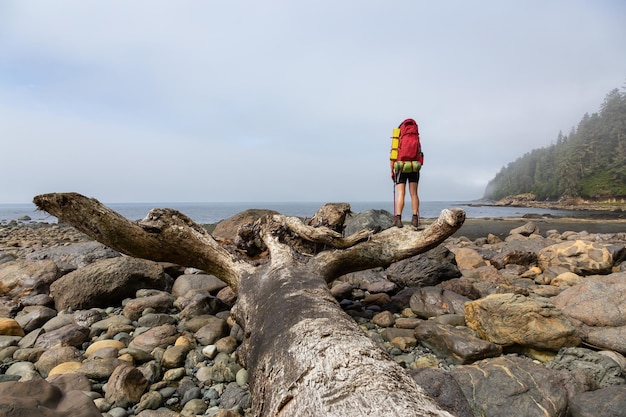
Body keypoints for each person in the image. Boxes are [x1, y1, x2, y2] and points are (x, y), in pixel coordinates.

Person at [390, 118, 423, 228]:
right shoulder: (416, 136)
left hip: (401, 166)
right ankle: (415, 218)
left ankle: (398, 219)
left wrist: (392, 170)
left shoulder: (397, 136)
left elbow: (393, 154)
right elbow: (419, 152)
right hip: (414, 166)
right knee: (414, 193)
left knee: (401, 193)